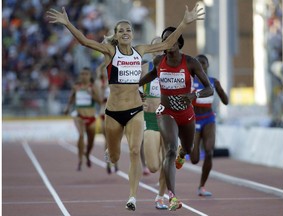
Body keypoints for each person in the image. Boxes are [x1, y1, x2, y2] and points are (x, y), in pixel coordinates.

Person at [47, 3, 204, 211]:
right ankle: (110, 152)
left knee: (133, 151)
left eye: (128, 30)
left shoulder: (140, 50)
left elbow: (168, 43)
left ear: (132, 33)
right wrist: (68, 23)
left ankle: (132, 197)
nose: (125, 33)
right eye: (121, 31)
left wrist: (184, 23)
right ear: (116, 35)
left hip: (135, 110)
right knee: (114, 157)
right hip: (113, 112)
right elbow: (84, 41)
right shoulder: (110, 52)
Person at [139, 27, 213, 211]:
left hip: (186, 113)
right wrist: (132, 86)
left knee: (187, 149)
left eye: (171, 39)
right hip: (166, 111)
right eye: (165, 39)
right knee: (170, 150)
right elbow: (147, 78)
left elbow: (209, 89)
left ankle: (182, 153)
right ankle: (172, 196)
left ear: (179, 42)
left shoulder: (190, 62)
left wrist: (193, 95)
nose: (168, 42)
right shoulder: (158, 61)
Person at [189, 54, 229, 196]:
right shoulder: (189, 81)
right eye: (198, 63)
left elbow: (226, 101)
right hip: (193, 120)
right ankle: (184, 148)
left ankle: (202, 186)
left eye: (203, 63)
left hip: (208, 119)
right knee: (194, 160)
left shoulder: (213, 82)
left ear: (207, 66)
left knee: (209, 152)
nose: (201, 65)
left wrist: (220, 90)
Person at [142, 37, 168, 209]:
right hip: (150, 118)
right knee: (153, 166)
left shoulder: (172, 68)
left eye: (162, 45)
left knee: (167, 161)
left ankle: (160, 196)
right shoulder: (145, 67)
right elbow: (131, 87)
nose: (159, 48)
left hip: (168, 118)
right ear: (151, 49)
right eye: (155, 45)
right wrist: (137, 95)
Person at [64, 67, 101, 171]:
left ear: (90, 76)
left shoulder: (93, 87)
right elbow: (71, 98)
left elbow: (99, 101)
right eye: (82, 74)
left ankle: (87, 154)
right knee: (81, 135)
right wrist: (67, 108)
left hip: (91, 116)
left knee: (91, 141)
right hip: (79, 116)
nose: (84, 76)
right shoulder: (76, 86)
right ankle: (80, 160)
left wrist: (91, 94)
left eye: (86, 74)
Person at [94, 62, 118, 174]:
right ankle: (108, 162)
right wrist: (102, 90)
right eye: (104, 70)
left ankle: (115, 162)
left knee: (116, 139)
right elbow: (99, 100)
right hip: (104, 113)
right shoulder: (100, 83)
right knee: (107, 140)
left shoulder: (115, 81)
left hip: (115, 113)